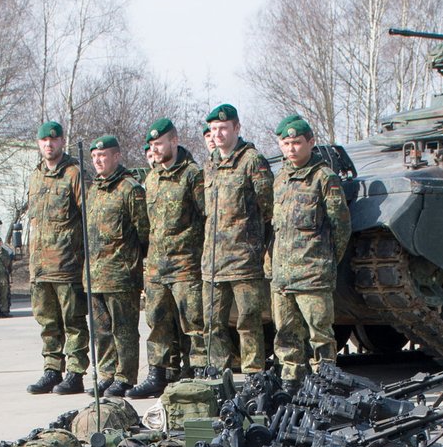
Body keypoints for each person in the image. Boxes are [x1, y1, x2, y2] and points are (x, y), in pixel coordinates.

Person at [268, 114, 350, 389]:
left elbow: (340, 225)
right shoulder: (279, 180)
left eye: (297, 142)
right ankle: (291, 381)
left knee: (320, 335)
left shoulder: (324, 178)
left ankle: (325, 382)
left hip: (313, 273)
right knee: (286, 334)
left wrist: (325, 261)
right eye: (286, 143)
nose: (291, 148)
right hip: (282, 276)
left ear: (311, 143)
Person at [200, 103, 273, 379]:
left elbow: (268, 208)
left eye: (223, 128)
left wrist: (256, 246)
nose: (218, 134)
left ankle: (254, 374)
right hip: (213, 264)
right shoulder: (210, 164)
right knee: (212, 324)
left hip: (243, 260)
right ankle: (219, 375)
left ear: (236, 128)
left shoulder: (252, 160)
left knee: (248, 322)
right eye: (213, 129)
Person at [138, 117, 202, 397]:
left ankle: (198, 372)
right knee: (157, 323)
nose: (155, 148)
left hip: (186, 264)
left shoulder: (192, 175)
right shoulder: (151, 178)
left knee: (194, 323)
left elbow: (205, 216)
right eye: (152, 144)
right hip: (156, 267)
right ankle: (158, 373)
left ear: (174, 141)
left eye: (160, 143)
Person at [25, 120, 88, 395]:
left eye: (53, 140)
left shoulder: (74, 174)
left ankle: (75, 373)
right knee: (47, 324)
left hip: (67, 265)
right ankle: (52, 369)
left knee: (73, 322)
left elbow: (88, 218)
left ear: (62, 142)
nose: (48, 145)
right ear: (39, 145)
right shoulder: (36, 176)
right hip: (40, 268)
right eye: (43, 141)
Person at [85, 134, 148, 397]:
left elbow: (144, 232)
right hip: (95, 275)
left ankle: (125, 376)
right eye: (95, 157)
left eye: (104, 155)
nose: (99, 161)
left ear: (116, 156)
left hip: (121, 275)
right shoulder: (93, 190)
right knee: (101, 331)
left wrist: (133, 264)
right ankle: (108, 373)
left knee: (124, 331)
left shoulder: (129, 189)